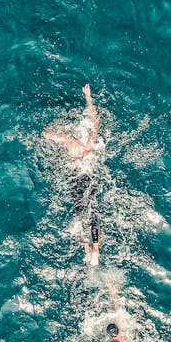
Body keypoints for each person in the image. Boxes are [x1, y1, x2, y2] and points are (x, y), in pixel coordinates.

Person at [44, 84, 104, 265]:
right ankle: (93, 249)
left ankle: (90, 249)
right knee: (90, 208)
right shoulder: (88, 137)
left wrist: (65, 138)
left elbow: (47, 134)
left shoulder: (79, 142)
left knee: (82, 209)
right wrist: (88, 97)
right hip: (86, 171)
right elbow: (93, 117)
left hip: (79, 172)